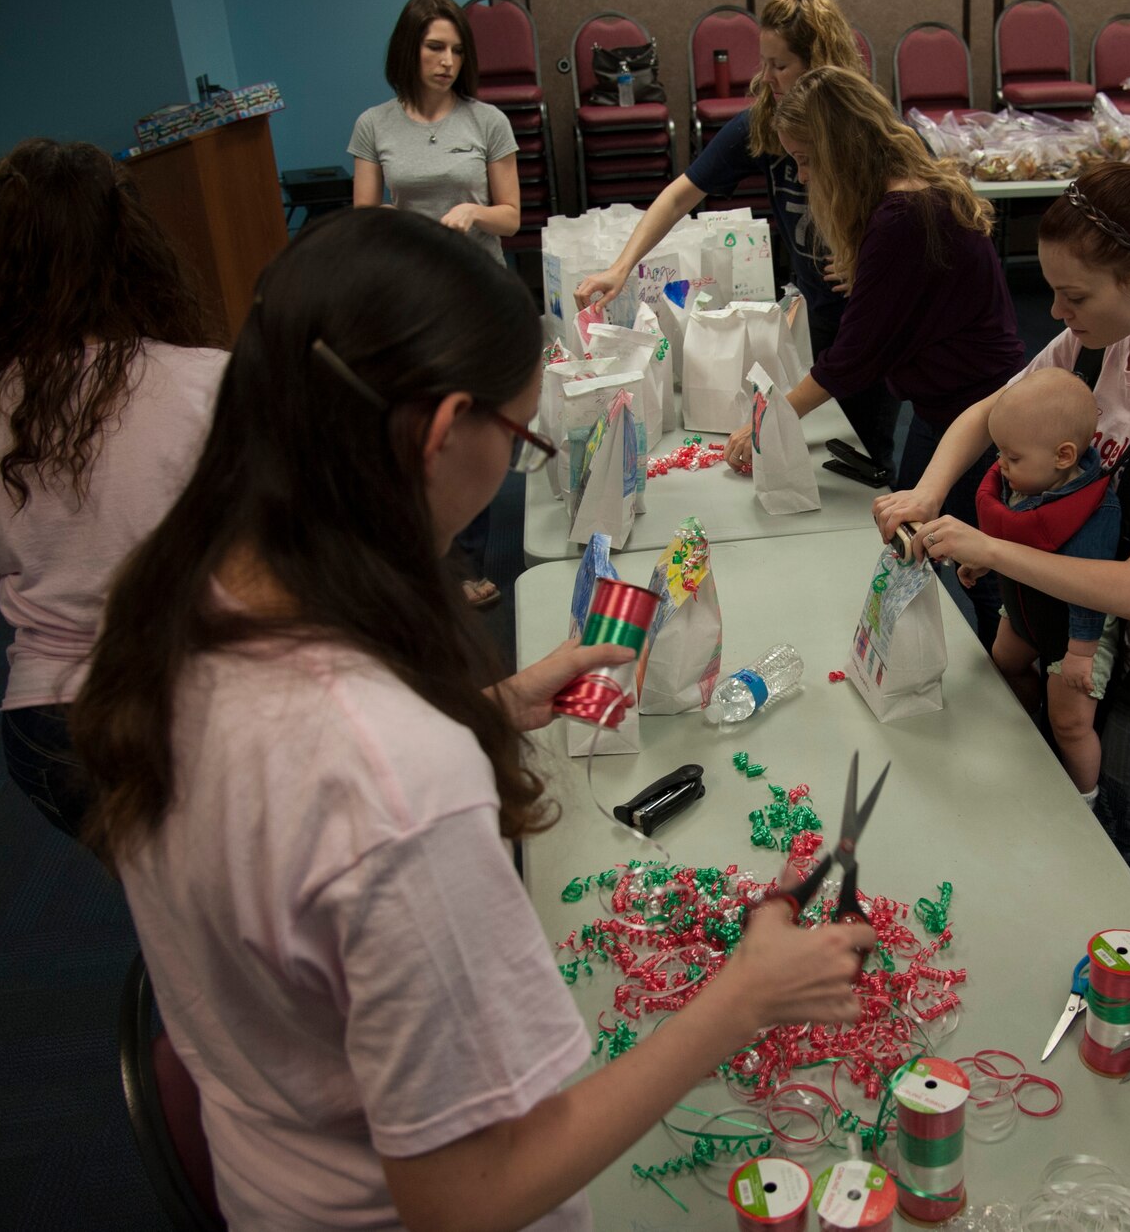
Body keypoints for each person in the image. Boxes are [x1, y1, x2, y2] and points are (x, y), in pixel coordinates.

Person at [70, 207, 870, 1231]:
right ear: (445, 432)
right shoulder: (393, 779)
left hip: (271, 1165)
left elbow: (284, 822)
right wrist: (740, 998)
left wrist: (486, 704)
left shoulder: (178, 591)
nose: (515, 461)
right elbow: (464, 1194)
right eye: (523, 435)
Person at [875, 151, 1130, 920]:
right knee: (1050, 797)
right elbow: (989, 413)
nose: (1057, 314)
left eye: (1073, 295)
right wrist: (925, 494)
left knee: (1122, 853)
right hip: (1067, 613)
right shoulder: (1101, 338)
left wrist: (989, 549)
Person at [0, 139, 226, 839]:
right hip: (191, 700)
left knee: (164, 899)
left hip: (48, 724)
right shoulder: (209, 385)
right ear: (136, 247)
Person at [737, 65, 1023, 644]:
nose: (802, 174)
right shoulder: (911, 195)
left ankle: (1011, 684)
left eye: (808, 160)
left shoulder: (899, 217)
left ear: (842, 152)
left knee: (976, 566)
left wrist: (770, 419)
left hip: (974, 410)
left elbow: (852, 360)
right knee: (921, 543)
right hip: (952, 400)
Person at [574, 0, 901, 470]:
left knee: (869, 452)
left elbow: (922, 213)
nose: (766, 77)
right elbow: (682, 192)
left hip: (875, 318)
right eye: (762, 62)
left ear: (820, 65)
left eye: (781, 65)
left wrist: (873, 263)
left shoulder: (870, 129)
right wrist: (621, 267)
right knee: (821, 443)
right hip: (818, 317)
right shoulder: (765, 123)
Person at [352, 0, 521, 611]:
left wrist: (474, 210)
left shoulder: (486, 122)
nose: (447, 60)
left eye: (456, 50)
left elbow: (512, 218)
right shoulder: (374, 125)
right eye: (434, 47)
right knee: (416, 429)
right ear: (410, 49)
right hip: (411, 298)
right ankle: (423, 562)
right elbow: (364, 222)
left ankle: (469, 560)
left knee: (470, 427)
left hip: (477, 295)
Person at [959, 369, 1122, 798]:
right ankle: (1029, 736)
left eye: (1012, 458)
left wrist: (1080, 655)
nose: (1000, 466)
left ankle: (1084, 796)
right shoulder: (1031, 479)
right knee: (1004, 661)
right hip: (1024, 605)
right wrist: (982, 565)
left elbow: (1090, 592)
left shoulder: (1093, 512)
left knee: (1069, 721)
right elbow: (1013, 540)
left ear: (1063, 456)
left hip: (1078, 632)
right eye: (1000, 454)